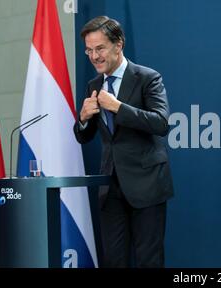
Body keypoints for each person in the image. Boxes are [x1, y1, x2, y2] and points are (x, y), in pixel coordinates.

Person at [73, 16, 173, 268]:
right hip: (111, 187)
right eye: (88, 50)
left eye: (100, 48)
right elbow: (84, 136)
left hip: (146, 184)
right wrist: (83, 119)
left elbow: (161, 123)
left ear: (118, 45)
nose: (94, 56)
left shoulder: (147, 77)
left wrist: (118, 107)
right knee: (114, 261)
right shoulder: (93, 85)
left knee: (149, 261)